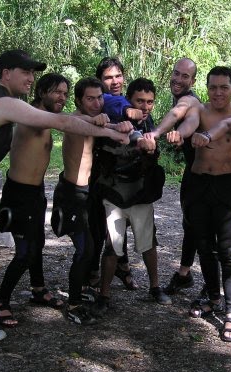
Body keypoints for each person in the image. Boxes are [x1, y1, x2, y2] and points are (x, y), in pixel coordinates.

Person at [0, 50, 129, 342]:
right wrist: (114, 134)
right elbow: (62, 122)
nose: (30, 78)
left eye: (32, 73)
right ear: (5, 73)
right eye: (25, 72)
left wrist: (110, 126)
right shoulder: (3, 101)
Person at [166, 66, 231, 343]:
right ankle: (213, 297)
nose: (217, 92)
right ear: (206, 88)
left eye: (223, 87)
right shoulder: (199, 111)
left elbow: (227, 126)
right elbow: (190, 124)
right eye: (213, 87)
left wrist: (208, 136)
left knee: (229, 253)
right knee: (204, 248)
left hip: (227, 189)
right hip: (199, 187)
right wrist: (182, 133)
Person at [50, 77, 133, 325]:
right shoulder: (74, 119)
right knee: (84, 251)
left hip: (87, 193)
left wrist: (122, 126)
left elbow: (104, 125)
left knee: (92, 245)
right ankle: (73, 303)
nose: (96, 103)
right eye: (90, 98)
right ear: (78, 100)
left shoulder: (96, 117)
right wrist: (114, 131)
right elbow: (86, 125)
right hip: (72, 193)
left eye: (100, 98)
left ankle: (81, 289)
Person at [0, 73, 70, 328]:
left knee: (37, 245)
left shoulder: (44, 118)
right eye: (57, 92)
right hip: (19, 195)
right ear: (42, 91)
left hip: (35, 193)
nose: (62, 97)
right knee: (24, 253)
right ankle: (1, 301)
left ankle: (38, 288)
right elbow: (62, 123)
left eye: (66, 93)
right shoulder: (30, 115)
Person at [92, 78, 171, 314]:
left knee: (148, 241)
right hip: (113, 191)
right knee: (112, 244)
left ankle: (155, 287)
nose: (145, 106)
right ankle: (104, 295)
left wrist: (150, 151)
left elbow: (152, 158)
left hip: (139, 193)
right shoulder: (113, 113)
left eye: (150, 102)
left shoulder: (151, 125)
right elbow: (105, 100)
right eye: (139, 101)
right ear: (129, 99)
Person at [144, 58, 219, 296]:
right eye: (176, 74)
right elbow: (185, 124)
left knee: (205, 232)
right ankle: (185, 274)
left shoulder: (190, 100)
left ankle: (211, 286)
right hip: (192, 173)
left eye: (185, 76)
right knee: (191, 225)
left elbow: (181, 115)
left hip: (209, 177)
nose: (178, 79)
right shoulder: (184, 99)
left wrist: (156, 133)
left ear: (193, 81)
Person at [89, 57, 139, 291]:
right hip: (101, 174)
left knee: (120, 223)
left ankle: (122, 265)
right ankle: (93, 270)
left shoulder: (124, 99)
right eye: (108, 77)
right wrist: (130, 111)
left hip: (123, 175)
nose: (115, 81)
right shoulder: (104, 101)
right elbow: (116, 106)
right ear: (100, 82)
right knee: (100, 226)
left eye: (118, 75)